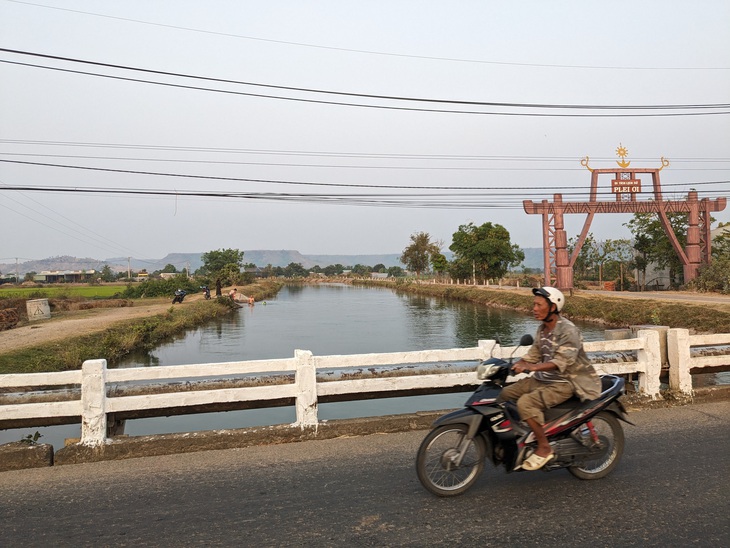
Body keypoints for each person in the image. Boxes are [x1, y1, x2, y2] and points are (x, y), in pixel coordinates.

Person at [497, 286, 601, 471]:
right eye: (534, 304)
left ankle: (544, 447)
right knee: (504, 393)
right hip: (542, 379)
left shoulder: (568, 330)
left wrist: (532, 367)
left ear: (553, 307)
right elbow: (534, 354)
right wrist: (513, 365)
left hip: (566, 382)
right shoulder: (542, 330)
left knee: (525, 404)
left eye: (539, 304)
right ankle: (524, 433)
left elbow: (562, 361)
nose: (534, 308)